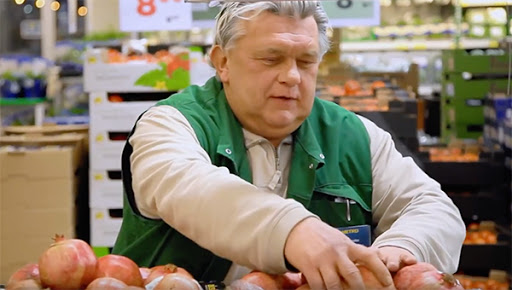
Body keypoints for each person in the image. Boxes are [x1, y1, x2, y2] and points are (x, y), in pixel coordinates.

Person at [112, 2, 465, 289]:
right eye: (271, 59)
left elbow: (432, 207)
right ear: (222, 62)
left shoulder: (353, 135)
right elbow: (192, 188)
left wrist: (402, 246)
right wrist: (295, 231)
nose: (292, 76)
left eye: (306, 61)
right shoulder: (170, 124)